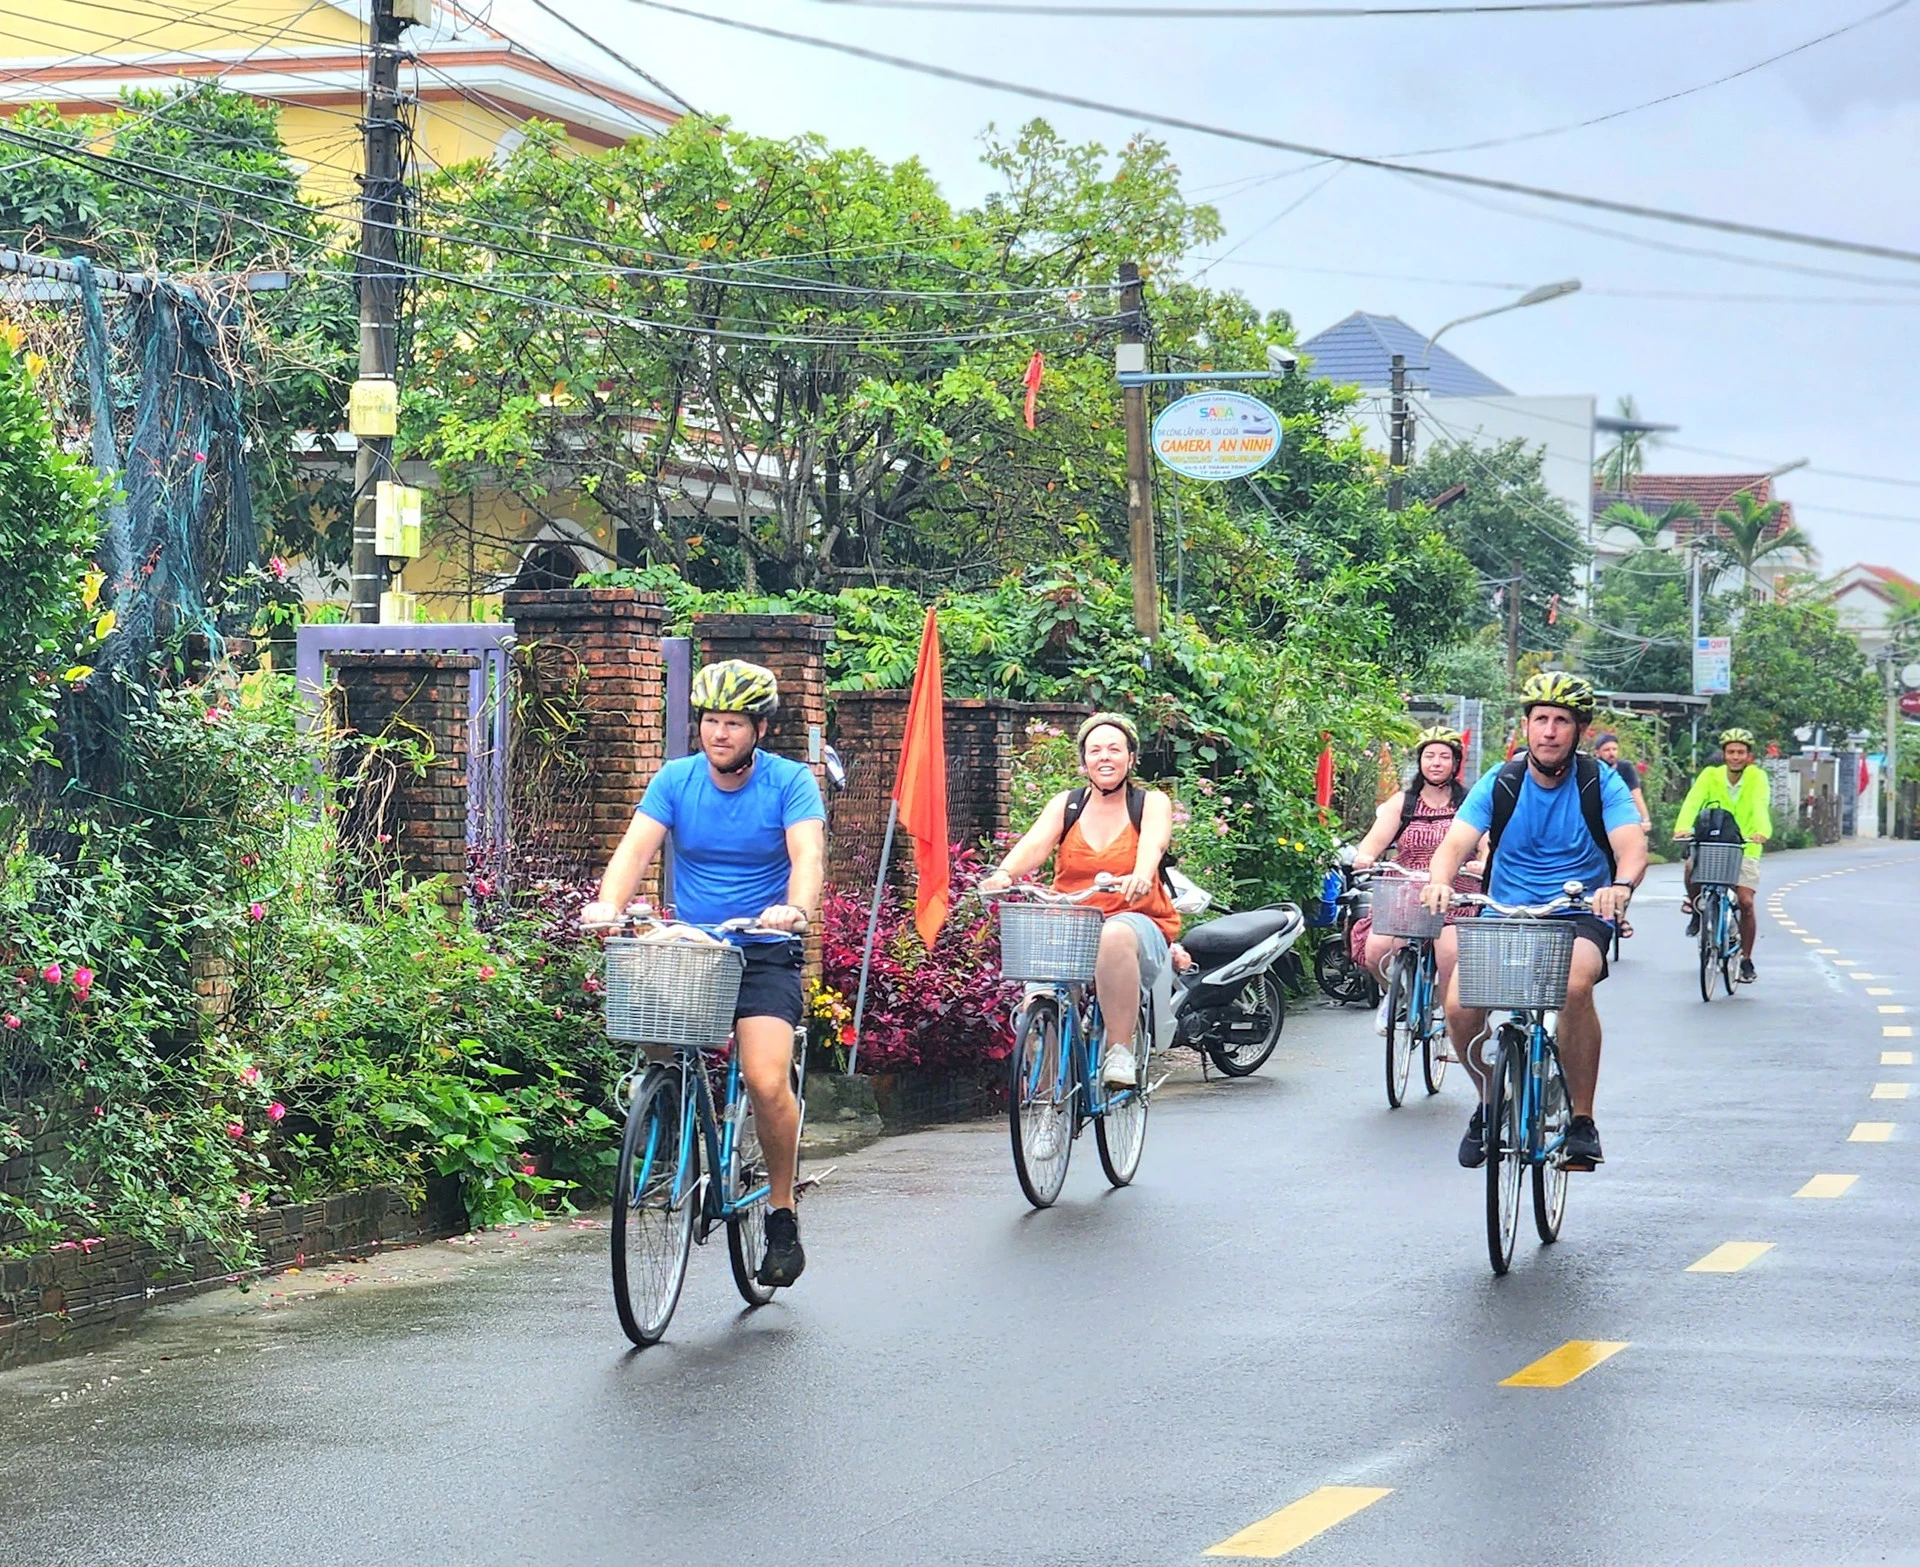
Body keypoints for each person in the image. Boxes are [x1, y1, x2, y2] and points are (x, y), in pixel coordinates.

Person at [581, 659, 824, 1289]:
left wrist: (794, 911)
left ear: (759, 730)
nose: (721, 733)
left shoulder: (790, 782)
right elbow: (634, 850)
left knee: (766, 1080)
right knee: (658, 1040)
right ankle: (671, 1117)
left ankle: (780, 1212)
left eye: (734, 724)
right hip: (693, 948)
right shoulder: (675, 780)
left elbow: (807, 855)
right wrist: (610, 906)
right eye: (712, 722)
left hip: (762, 949)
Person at [1421, 672, 1648, 1171]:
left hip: (1578, 911)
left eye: (1561, 721)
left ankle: (1581, 1122)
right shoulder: (1501, 781)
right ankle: (1487, 1101)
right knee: (1458, 1007)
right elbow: (1454, 846)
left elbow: (1631, 847)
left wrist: (1620, 887)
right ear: (1526, 727)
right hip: (1506, 911)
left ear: (1578, 731)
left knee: (1572, 987)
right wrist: (1440, 880)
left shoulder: (1599, 781)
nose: (1549, 731)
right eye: (1540, 719)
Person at [979, 712, 1178, 1089]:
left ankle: (1119, 1050)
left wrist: (1141, 873)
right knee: (1041, 995)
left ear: (1131, 758)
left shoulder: (1150, 803)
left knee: (1114, 935)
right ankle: (1044, 1098)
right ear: (1084, 760)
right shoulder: (1068, 805)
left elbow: (1155, 842)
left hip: (1135, 920)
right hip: (1073, 922)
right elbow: (1035, 844)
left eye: (1114, 749)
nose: (1105, 757)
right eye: (1095, 750)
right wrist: (1005, 873)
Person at [1349, 726, 1485, 1038]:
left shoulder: (1469, 804)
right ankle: (1395, 994)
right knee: (1377, 951)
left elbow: (1486, 843)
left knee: (1450, 954)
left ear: (1455, 763)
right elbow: (1374, 841)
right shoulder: (1403, 803)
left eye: (1444, 757)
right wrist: (1365, 857)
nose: (1436, 763)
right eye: (1429, 756)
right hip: (1405, 891)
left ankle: (1450, 1015)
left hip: (1456, 892)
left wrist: (1482, 861)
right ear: (1420, 762)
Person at [1674, 726, 1772, 984]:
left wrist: (1762, 831)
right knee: (1689, 867)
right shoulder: (1710, 776)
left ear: (1749, 756)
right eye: (1731, 752)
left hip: (1745, 846)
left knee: (1746, 902)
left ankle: (1747, 958)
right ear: (1724, 754)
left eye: (1741, 752)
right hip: (1712, 842)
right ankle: (1697, 908)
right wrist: (1683, 827)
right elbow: (1693, 801)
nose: (1736, 757)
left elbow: (1760, 805)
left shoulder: (1757, 778)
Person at [1592, 732, 1652, 830]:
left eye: (1614, 749)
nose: (1611, 753)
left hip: (1623, 816)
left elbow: (1636, 794)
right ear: (1597, 753)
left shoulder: (1626, 768)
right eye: (1606, 750)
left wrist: (1645, 820)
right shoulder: (1593, 769)